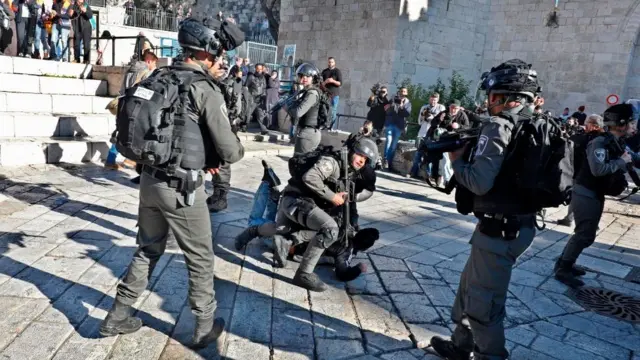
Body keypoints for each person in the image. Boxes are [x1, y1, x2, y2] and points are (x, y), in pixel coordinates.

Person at [99, 17, 245, 350]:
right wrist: (233, 145)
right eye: (217, 54)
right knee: (200, 257)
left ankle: (117, 315)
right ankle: (204, 327)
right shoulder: (203, 87)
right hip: (182, 190)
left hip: (149, 180)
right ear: (206, 52)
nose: (220, 60)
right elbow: (229, 150)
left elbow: (175, 129)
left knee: (147, 249)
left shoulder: (159, 76)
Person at [429, 59, 544, 360]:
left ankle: (490, 355)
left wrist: (457, 160)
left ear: (509, 98)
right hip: (516, 225)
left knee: (483, 303)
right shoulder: (532, 124)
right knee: (471, 288)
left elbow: (479, 183)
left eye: (493, 97)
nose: (488, 103)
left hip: (500, 231)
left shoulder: (500, 125)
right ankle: (461, 346)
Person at [272, 137, 378, 291]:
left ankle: (283, 241)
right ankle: (303, 273)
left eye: (366, 159)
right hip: (294, 203)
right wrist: (332, 196)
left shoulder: (347, 170)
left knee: (278, 232)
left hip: (300, 205)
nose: (362, 161)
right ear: (352, 151)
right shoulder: (333, 162)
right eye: (360, 155)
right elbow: (310, 177)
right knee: (330, 229)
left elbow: (350, 206)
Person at [554, 104, 635, 288]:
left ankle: (564, 261)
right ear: (621, 124)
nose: (634, 126)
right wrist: (621, 162)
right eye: (632, 122)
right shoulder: (599, 142)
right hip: (585, 192)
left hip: (594, 192)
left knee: (584, 234)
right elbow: (598, 170)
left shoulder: (615, 142)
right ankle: (563, 269)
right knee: (585, 234)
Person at [557, 114, 604, 227]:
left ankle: (570, 219)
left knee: (578, 196)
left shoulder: (590, 138)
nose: (585, 125)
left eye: (587, 123)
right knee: (594, 198)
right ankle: (588, 221)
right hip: (595, 174)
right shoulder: (603, 138)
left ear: (595, 126)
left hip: (583, 173)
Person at [285, 63, 325, 155]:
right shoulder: (307, 91)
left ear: (313, 78)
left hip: (308, 134)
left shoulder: (312, 93)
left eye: (308, 76)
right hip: (307, 132)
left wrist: (287, 108)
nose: (304, 78)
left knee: (299, 164)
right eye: (301, 76)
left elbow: (298, 112)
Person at [383, 87, 411, 171]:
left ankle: (389, 163)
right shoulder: (393, 99)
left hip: (399, 126)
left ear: (406, 93)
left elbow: (406, 114)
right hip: (390, 123)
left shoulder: (408, 103)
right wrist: (391, 104)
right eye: (401, 91)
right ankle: (385, 161)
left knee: (393, 145)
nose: (402, 93)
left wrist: (402, 106)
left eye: (404, 92)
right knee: (388, 141)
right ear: (399, 92)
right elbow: (386, 109)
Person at [322, 57, 342, 129]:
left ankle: (331, 127)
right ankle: (324, 125)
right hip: (326, 94)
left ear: (334, 63)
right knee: (324, 110)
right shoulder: (324, 72)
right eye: (329, 62)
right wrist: (325, 82)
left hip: (334, 94)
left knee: (333, 111)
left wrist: (332, 81)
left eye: (332, 62)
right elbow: (321, 84)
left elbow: (340, 83)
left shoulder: (337, 71)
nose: (330, 63)